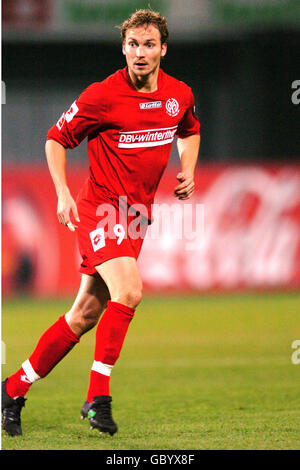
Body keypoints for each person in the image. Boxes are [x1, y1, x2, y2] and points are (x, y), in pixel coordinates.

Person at [2, 9, 200, 437]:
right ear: (123, 48)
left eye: (149, 44)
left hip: (135, 218)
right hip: (101, 209)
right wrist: (62, 192)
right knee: (129, 289)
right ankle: (97, 398)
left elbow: (189, 128)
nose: (140, 53)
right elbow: (57, 137)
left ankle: (12, 389)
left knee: (85, 313)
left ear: (163, 49)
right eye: (132, 44)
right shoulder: (102, 95)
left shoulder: (178, 94)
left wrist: (189, 168)